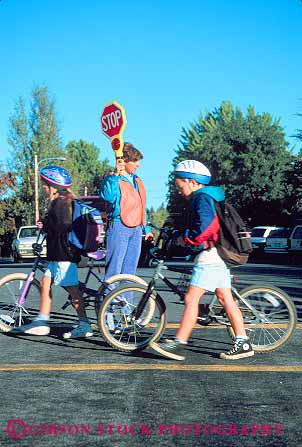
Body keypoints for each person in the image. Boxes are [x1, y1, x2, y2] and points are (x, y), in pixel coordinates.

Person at [149, 160, 254, 361]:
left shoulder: (201, 198)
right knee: (225, 298)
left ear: (191, 181)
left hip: (210, 256)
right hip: (218, 254)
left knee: (191, 299)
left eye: (180, 186)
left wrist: (183, 240)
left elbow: (206, 228)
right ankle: (243, 342)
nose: (179, 190)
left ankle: (179, 343)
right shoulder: (209, 196)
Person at [12, 165, 93, 339]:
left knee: (73, 290)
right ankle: (41, 322)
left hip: (64, 254)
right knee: (45, 282)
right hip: (58, 254)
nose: (43, 187)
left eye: (44, 184)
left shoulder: (62, 202)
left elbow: (62, 226)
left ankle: (85, 325)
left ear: (52, 185)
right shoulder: (62, 200)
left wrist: (46, 224)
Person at [100, 143, 154, 287]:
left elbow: (141, 206)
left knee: (129, 272)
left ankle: (126, 308)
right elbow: (108, 197)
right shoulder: (112, 179)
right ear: (123, 161)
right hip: (119, 226)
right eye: (135, 161)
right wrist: (115, 176)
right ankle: (109, 308)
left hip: (136, 229)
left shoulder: (137, 180)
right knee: (114, 270)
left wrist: (146, 229)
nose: (138, 165)